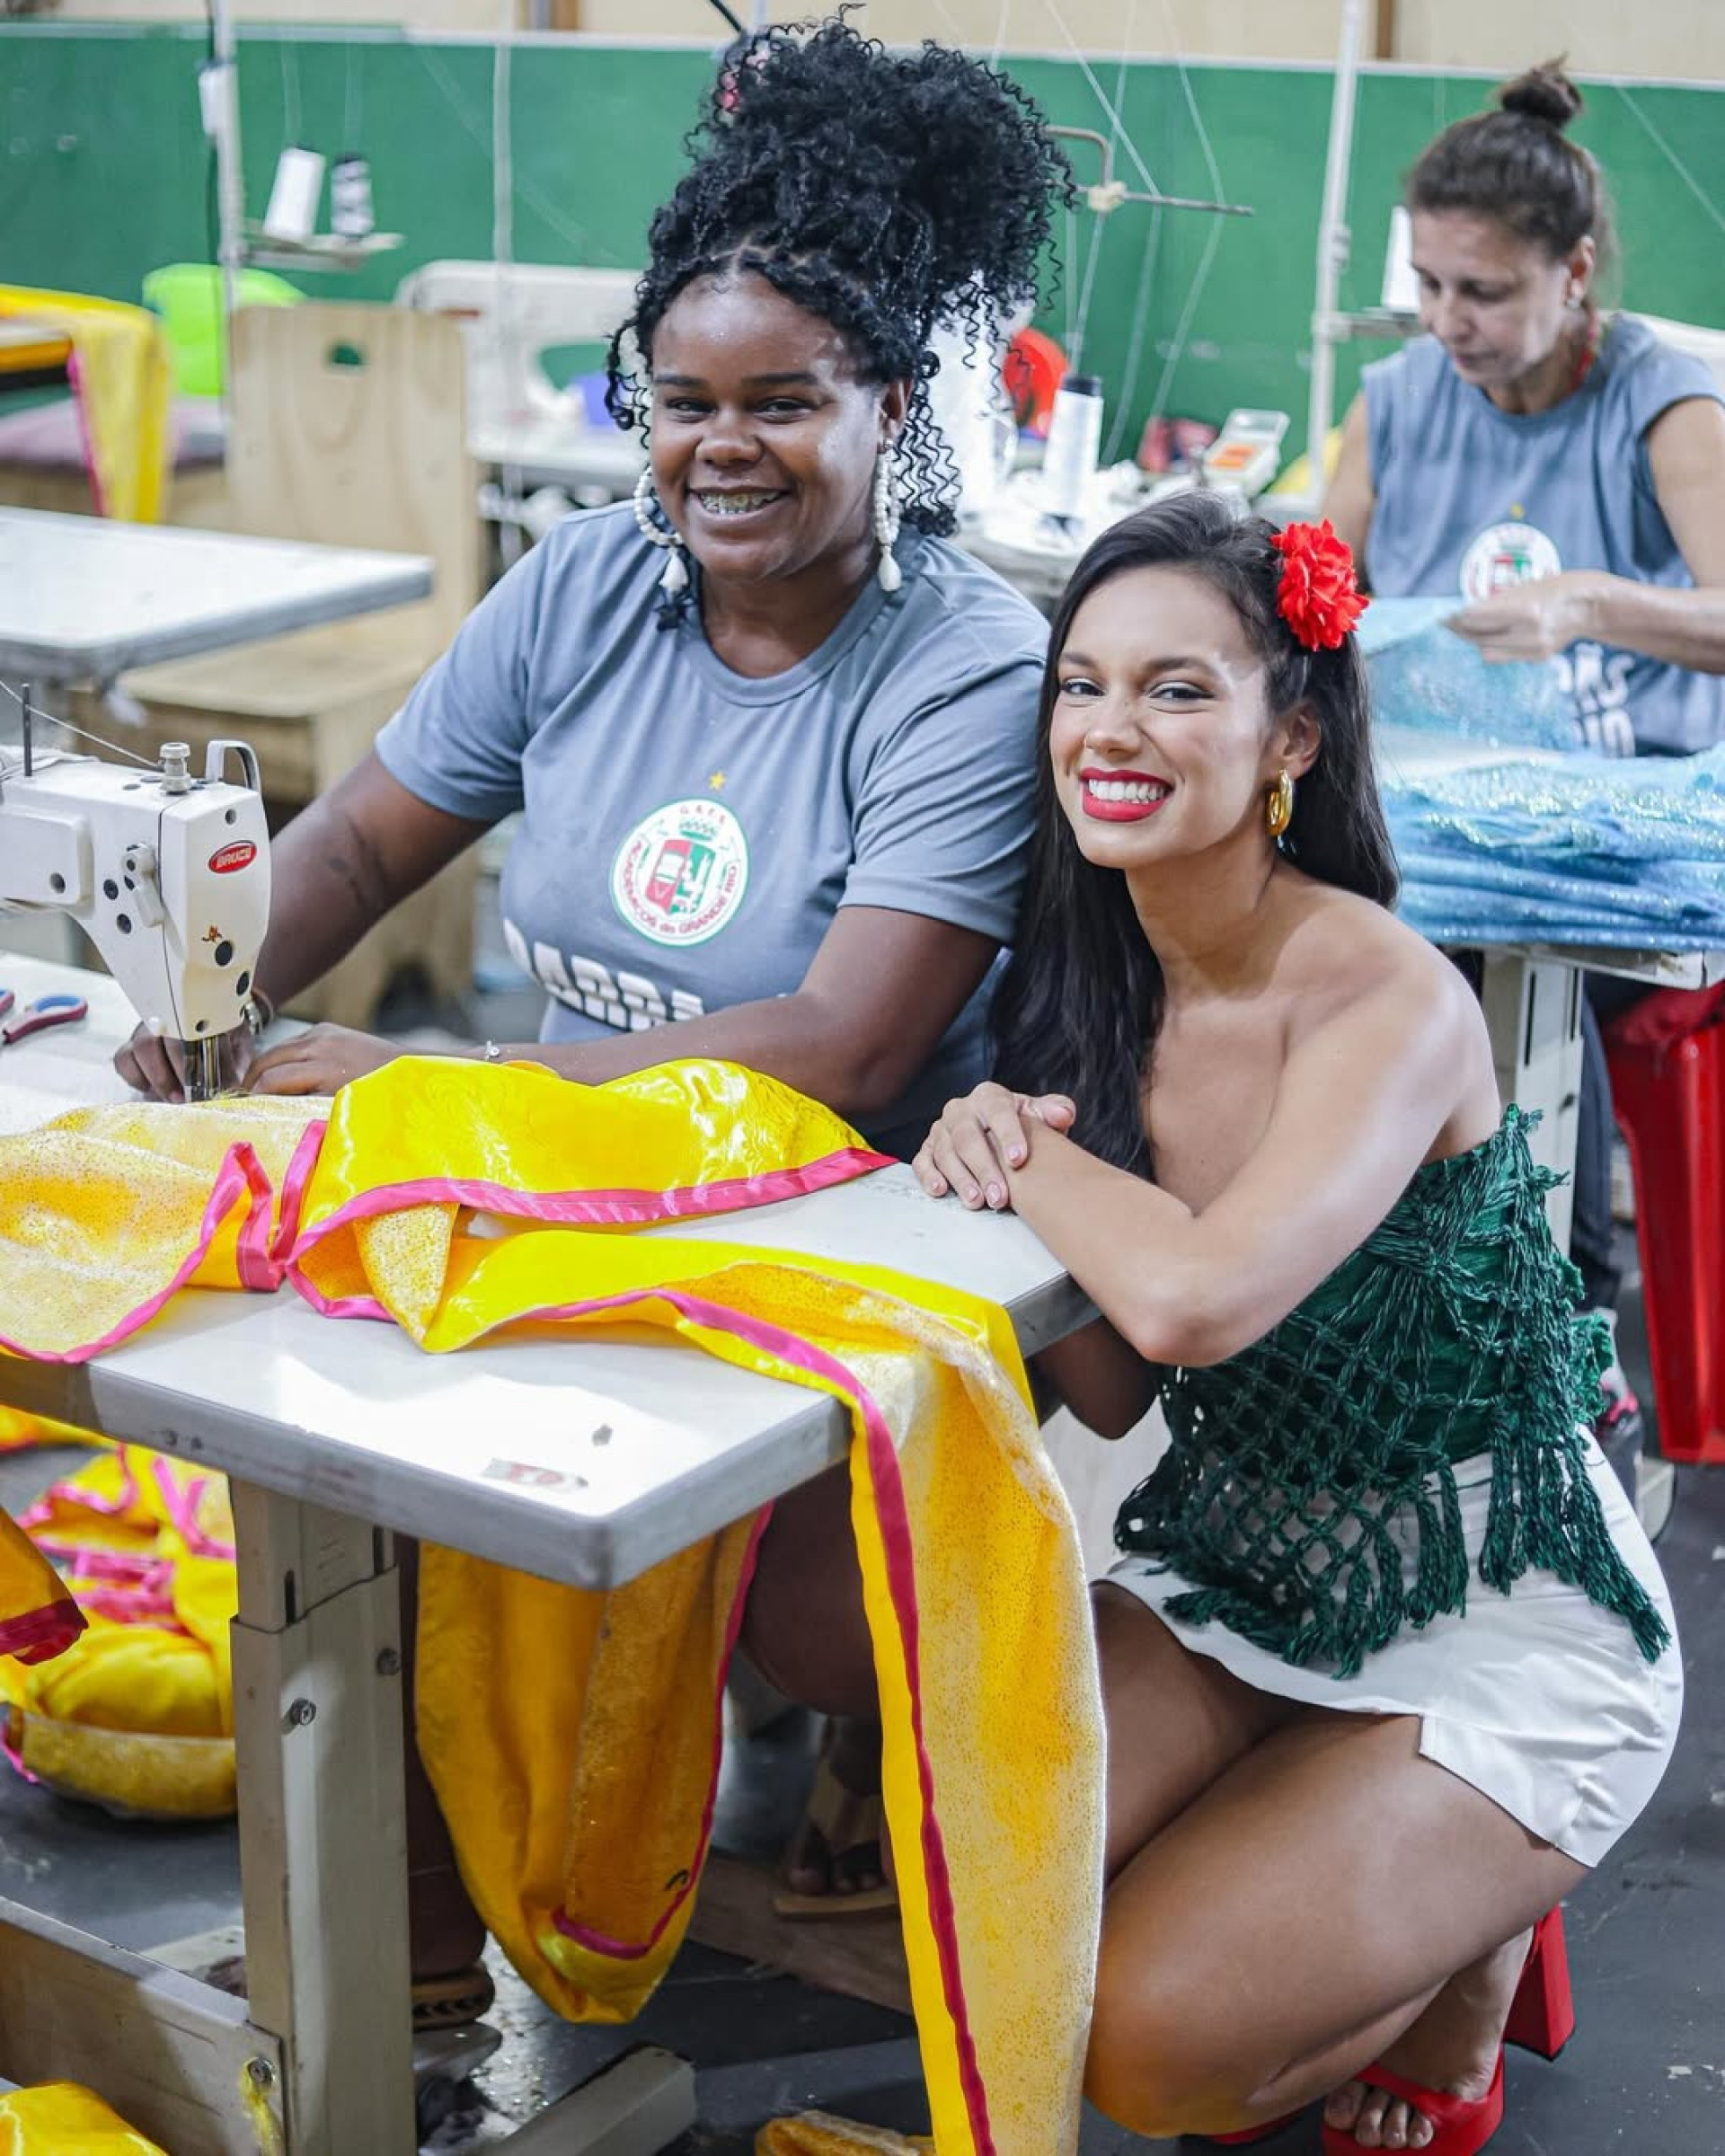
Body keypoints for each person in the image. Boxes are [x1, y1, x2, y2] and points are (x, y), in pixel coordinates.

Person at [115, 19, 1071, 1993]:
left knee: (770, 1607)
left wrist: (459, 1089)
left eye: (785, 401)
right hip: (582, 1188)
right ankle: (406, 1969)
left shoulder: (968, 665)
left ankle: (793, 1734)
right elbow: (360, 845)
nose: (723, 446)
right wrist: (205, 996)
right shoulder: (582, 590)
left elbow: (848, 1048)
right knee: (349, 1453)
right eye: (682, 399)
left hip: (857, 1234)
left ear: (892, 404)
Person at [913, 493, 1681, 2152]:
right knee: (973, 1895)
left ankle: (1469, 1949)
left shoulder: (1383, 990)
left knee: (1147, 2052)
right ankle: (1384, 1869)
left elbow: (1193, 1302)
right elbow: (1112, 1392)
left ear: (1294, 739)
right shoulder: (1089, 986)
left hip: (1497, 1603)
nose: (1111, 729)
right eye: (1082, 684)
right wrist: (988, 1168)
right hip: (1242, 1566)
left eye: (1178, 689)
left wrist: (1023, 1156)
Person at [1322, 59, 1725, 1463]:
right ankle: (1401, 1300)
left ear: (1576, 272)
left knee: (1495, 968)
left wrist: (1595, 604)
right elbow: (1315, 587)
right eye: (1430, 286)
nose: (1449, 322)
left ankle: (1563, 1311)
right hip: (1432, 807)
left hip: (1617, 828)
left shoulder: (1664, 403)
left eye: (1484, 293)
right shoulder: (1398, 395)